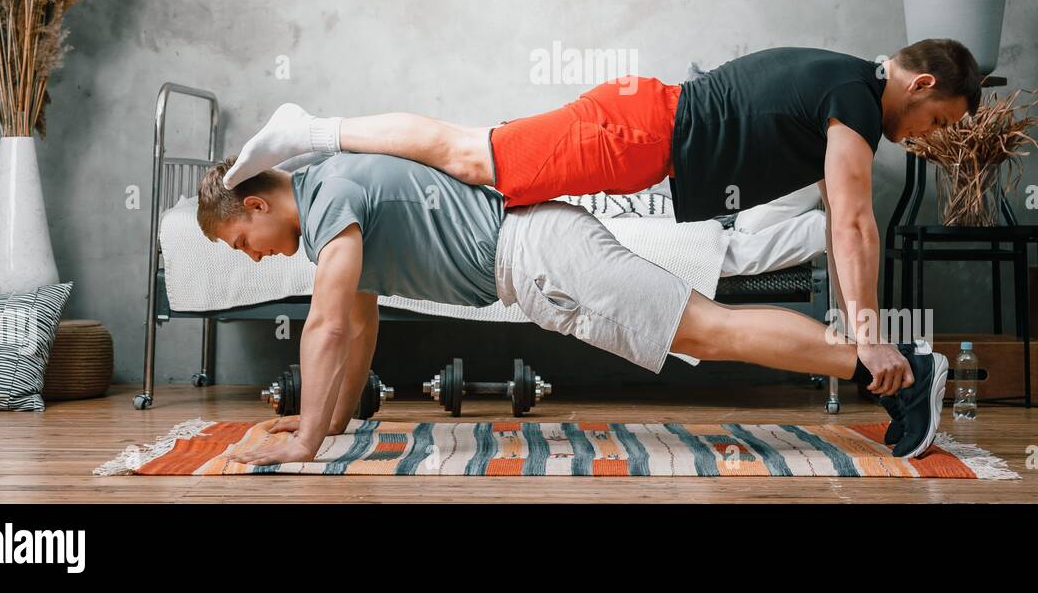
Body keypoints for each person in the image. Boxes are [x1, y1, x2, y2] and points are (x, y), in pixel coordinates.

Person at [220, 39, 979, 422]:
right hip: (636, 130)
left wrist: (864, 333)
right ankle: (308, 128)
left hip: (638, 140)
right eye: (936, 121)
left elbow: (846, 219)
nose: (926, 137)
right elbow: (850, 220)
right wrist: (869, 333)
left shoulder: (843, 84)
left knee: (471, 156)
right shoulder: (853, 93)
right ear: (917, 85)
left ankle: (313, 129)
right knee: (464, 152)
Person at [195, 152, 949, 468]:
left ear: (258, 203)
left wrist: (300, 451)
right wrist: (329, 426)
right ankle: (889, 367)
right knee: (707, 336)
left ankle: (899, 367)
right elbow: (358, 324)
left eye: (242, 240)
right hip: (538, 265)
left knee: (711, 332)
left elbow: (326, 326)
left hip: (544, 256)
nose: (253, 255)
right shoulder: (334, 200)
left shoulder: (329, 200)